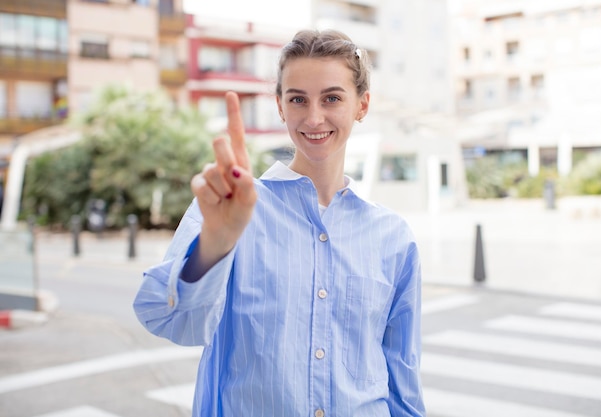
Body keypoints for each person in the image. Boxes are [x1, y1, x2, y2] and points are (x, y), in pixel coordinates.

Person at [134, 29, 426, 417]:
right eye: (298, 99)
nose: (314, 117)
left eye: (332, 98)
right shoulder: (233, 208)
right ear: (280, 106)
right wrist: (214, 245)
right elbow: (169, 319)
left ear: (362, 105)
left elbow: (402, 379)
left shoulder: (394, 238)